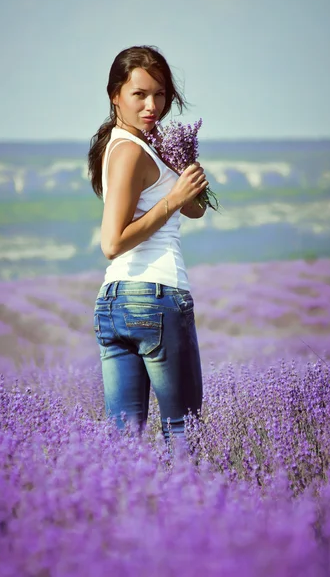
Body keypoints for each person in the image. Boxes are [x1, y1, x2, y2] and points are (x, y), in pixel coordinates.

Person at [88, 45, 209, 445]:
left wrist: (182, 169)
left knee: (125, 443)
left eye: (159, 94)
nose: (152, 105)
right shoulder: (127, 151)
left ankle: (126, 507)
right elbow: (112, 242)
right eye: (139, 94)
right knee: (183, 434)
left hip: (115, 302)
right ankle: (188, 506)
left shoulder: (137, 144)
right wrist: (170, 200)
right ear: (115, 96)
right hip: (155, 296)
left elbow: (195, 212)